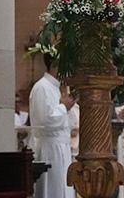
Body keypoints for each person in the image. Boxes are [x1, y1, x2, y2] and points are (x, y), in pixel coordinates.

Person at [29, 59, 76, 198]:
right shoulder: (41, 87)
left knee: (64, 189)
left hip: (62, 147)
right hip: (51, 148)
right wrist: (64, 107)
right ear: (55, 64)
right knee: (53, 190)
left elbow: (68, 122)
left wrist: (68, 108)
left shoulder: (56, 88)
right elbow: (44, 120)